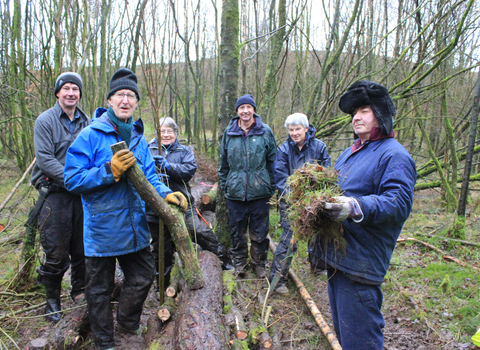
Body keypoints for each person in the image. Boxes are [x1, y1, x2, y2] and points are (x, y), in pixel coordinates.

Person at [64, 68, 187, 350]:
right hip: (102, 228)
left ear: (135, 102)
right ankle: (104, 341)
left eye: (131, 96)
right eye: (120, 94)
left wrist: (168, 194)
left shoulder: (138, 137)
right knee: (99, 290)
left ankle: (127, 322)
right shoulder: (90, 135)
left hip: (135, 226)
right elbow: (72, 179)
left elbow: (150, 177)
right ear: (109, 99)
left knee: (144, 276)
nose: (125, 100)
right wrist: (109, 170)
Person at [311, 80, 416, 349]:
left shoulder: (395, 156)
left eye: (364, 111)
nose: (356, 117)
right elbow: (334, 189)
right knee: (346, 338)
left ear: (381, 115)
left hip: (361, 263)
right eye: (354, 112)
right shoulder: (350, 153)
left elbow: (398, 203)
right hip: (338, 258)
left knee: (361, 342)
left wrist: (354, 206)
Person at [30, 72, 90, 323]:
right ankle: (52, 300)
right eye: (66, 88)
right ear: (57, 93)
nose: (70, 93)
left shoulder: (87, 121)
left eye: (75, 89)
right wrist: (73, 179)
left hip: (81, 195)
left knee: (82, 248)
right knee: (56, 251)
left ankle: (79, 292)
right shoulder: (45, 120)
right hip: (54, 193)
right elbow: (45, 159)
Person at [146, 117, 233, 286]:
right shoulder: (148, 149)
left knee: (197, 230)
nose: (165, 135)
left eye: (169, 131)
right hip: (155, 207)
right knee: (160, 247)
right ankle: (162, 284)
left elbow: (188, 170)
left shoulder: (184, 151)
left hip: (183, 203)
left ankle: (224, 258)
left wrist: (169, 167)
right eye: (162, 131)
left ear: (176, 133)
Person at [269, 113, 331, 295]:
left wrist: (315, 197)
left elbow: (326, 173)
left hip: (315, 201)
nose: (294, 133)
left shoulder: (319, 147)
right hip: (291, 203)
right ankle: (277, 279)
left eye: (297, 129)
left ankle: (318, 265)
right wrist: (294, 198)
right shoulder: (284, 150)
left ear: (306, 128)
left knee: (318, 232)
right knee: (289, 239)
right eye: (291, 130)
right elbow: (279, 177)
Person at [218, 94, 277, 278]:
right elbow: (223, 165)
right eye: (241, 107)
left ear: (253, 110)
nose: (245, 111)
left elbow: (273, 162)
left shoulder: (265, 131)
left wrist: (270, 186)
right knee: (237, 232)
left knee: (260, 233)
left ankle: (259, 264)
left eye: (248, 107)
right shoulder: (229, 133)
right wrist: (226, 187)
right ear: (237, 111)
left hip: (260, 192)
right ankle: (239, 264)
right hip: (235, 193)